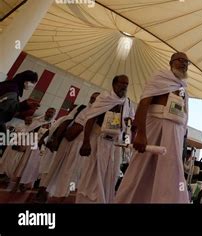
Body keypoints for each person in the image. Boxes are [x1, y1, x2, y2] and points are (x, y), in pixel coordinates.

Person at [115, 52, 190, 203]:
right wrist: (141, 134)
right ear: (171, 62)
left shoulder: (183, 87)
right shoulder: (160, 77)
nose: (184, 64)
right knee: (140, 170)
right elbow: (144, 103)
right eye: (180, 60)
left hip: (175, 134)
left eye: (187, 63)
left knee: (170, 174)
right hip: (154, 129)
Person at [76, 76, 134, 203]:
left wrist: (127, 123)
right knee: (92, 173)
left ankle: (104, 200)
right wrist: (86, 142)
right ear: (114, 83)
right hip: (98, 139)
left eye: (127, 83)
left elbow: (130, 119)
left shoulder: (128, 102)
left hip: (115, 143)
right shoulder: (104, 98)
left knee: (111, 174)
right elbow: (90, 118)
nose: (124, 86)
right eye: (122, 83)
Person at [40, 94, 99, 202]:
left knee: (70, 172)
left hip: (81, 145)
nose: (94, 100)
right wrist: (56, 139)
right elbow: (66, 121)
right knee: (55, 166)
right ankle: (43, 191)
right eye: (92, 98)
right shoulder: (81, 108)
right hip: (67, 141)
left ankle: (61, 195)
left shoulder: (100, 113)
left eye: (96, 99)